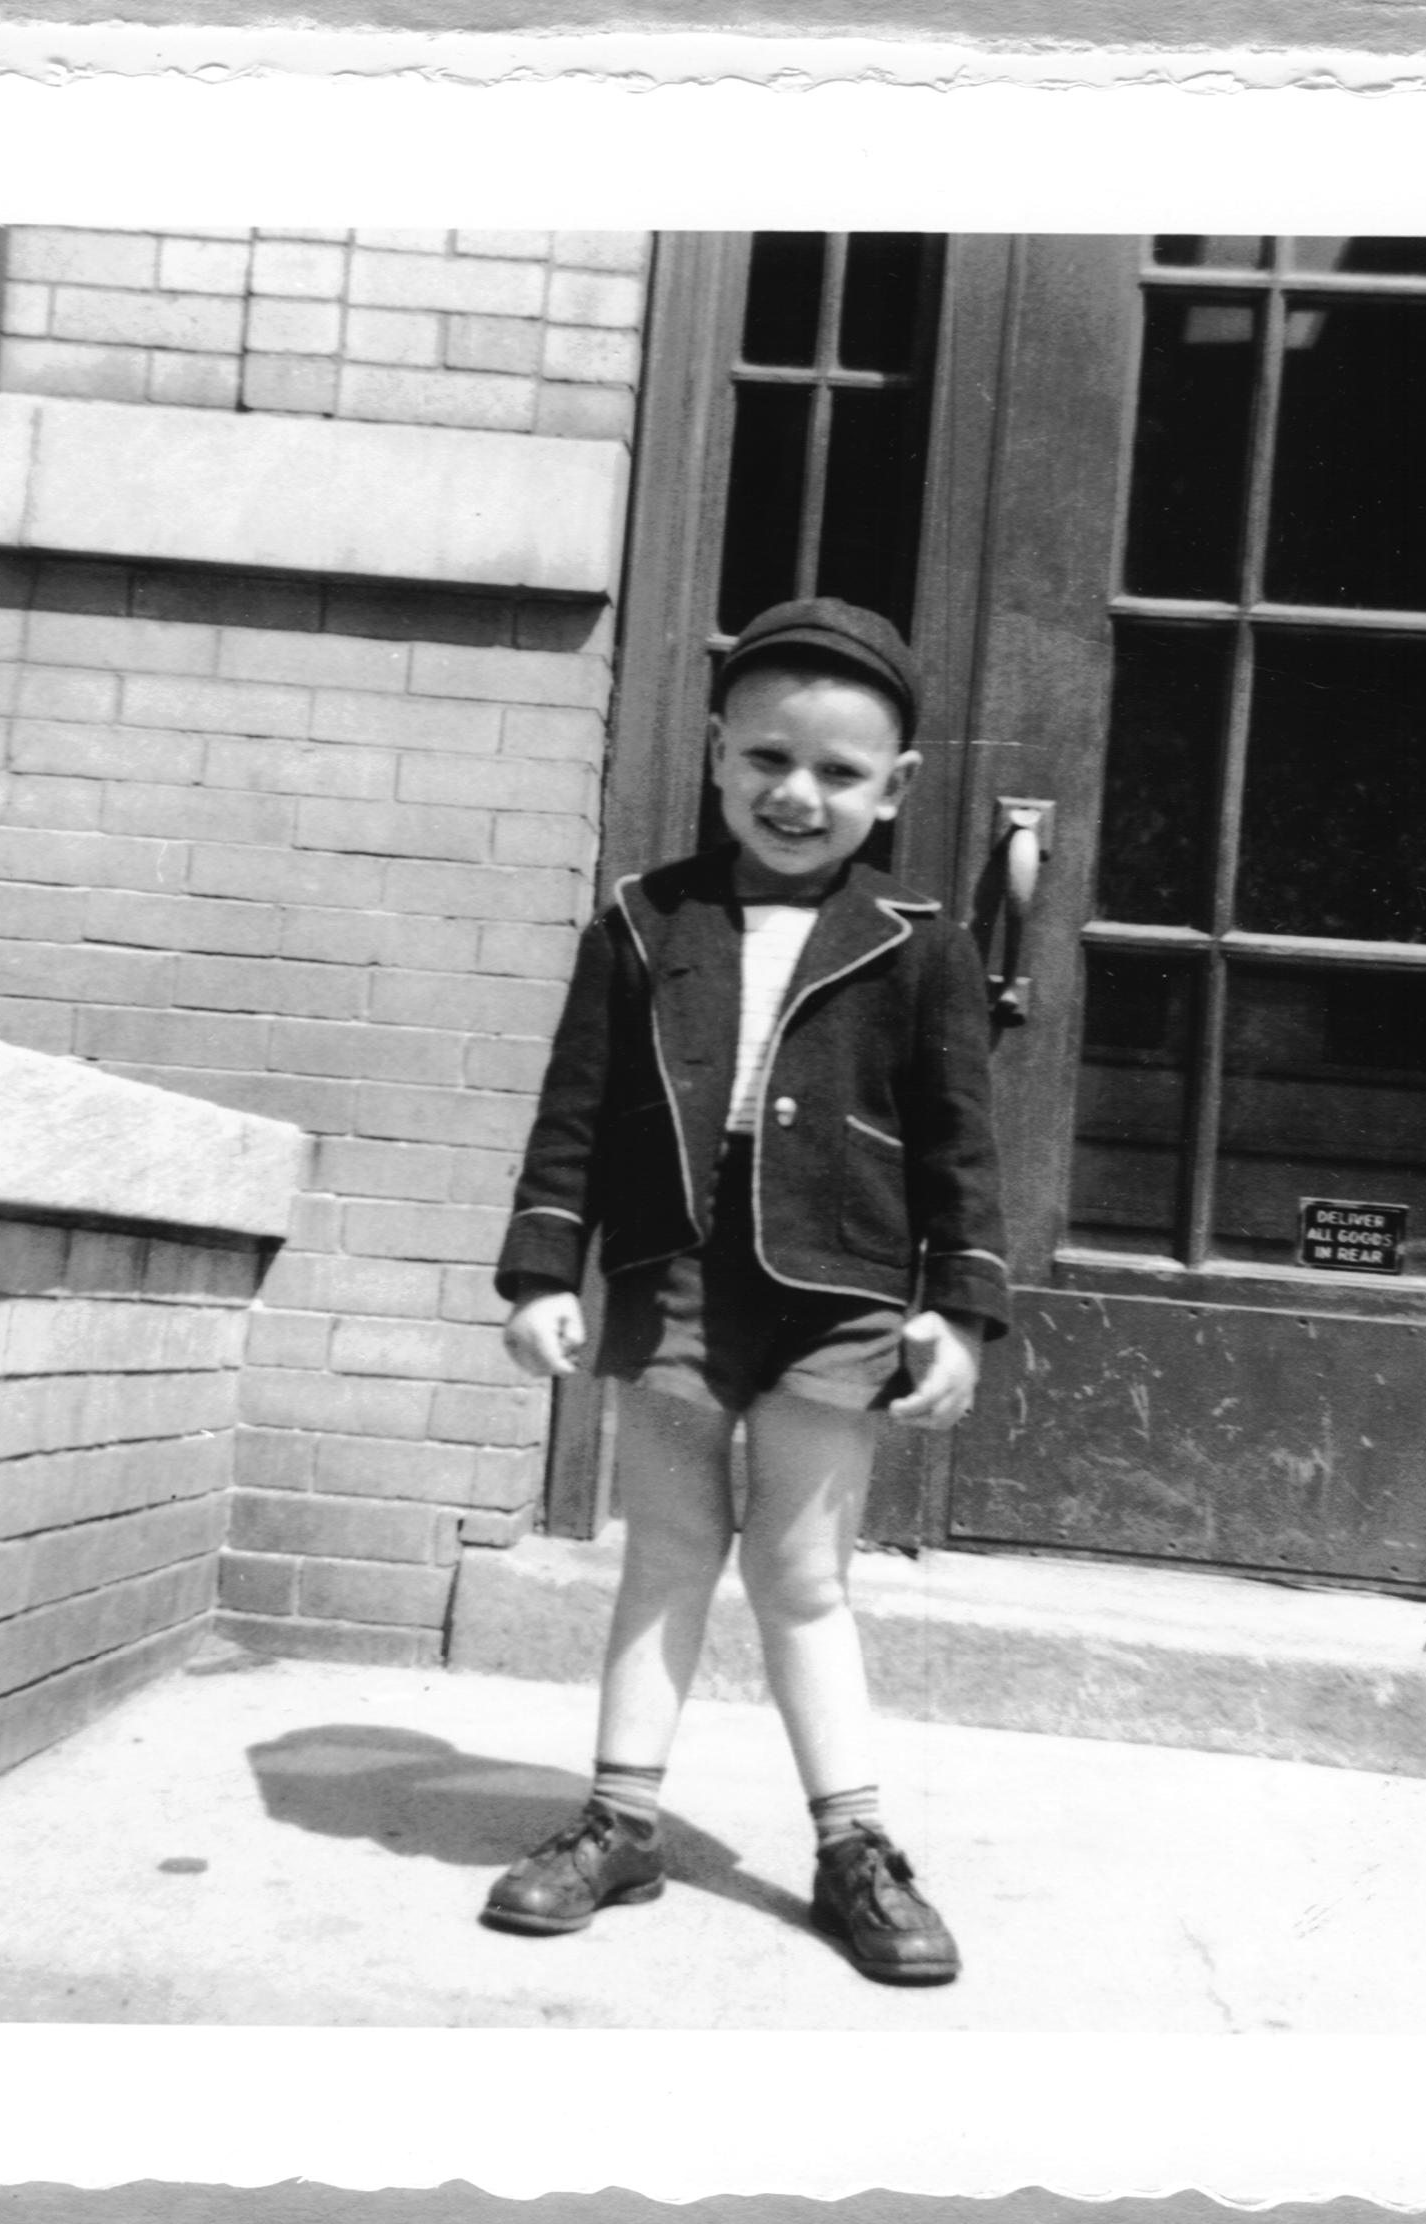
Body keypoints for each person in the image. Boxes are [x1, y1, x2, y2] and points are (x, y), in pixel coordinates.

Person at [482, 596, 1009, 1985]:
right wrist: (542, 1270)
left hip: (840, 1299)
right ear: (718, 753)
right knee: (665, 1550)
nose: (797, 794)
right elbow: (573, 1115)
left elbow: (961, 1148)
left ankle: (854, 1847)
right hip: (675, 1283)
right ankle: (619, 1821)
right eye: (769, 757)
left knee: (801, 1572)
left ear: (896, 788)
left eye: (840, 771)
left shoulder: (921, 942)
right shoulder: (644, 921)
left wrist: (960, 1309)